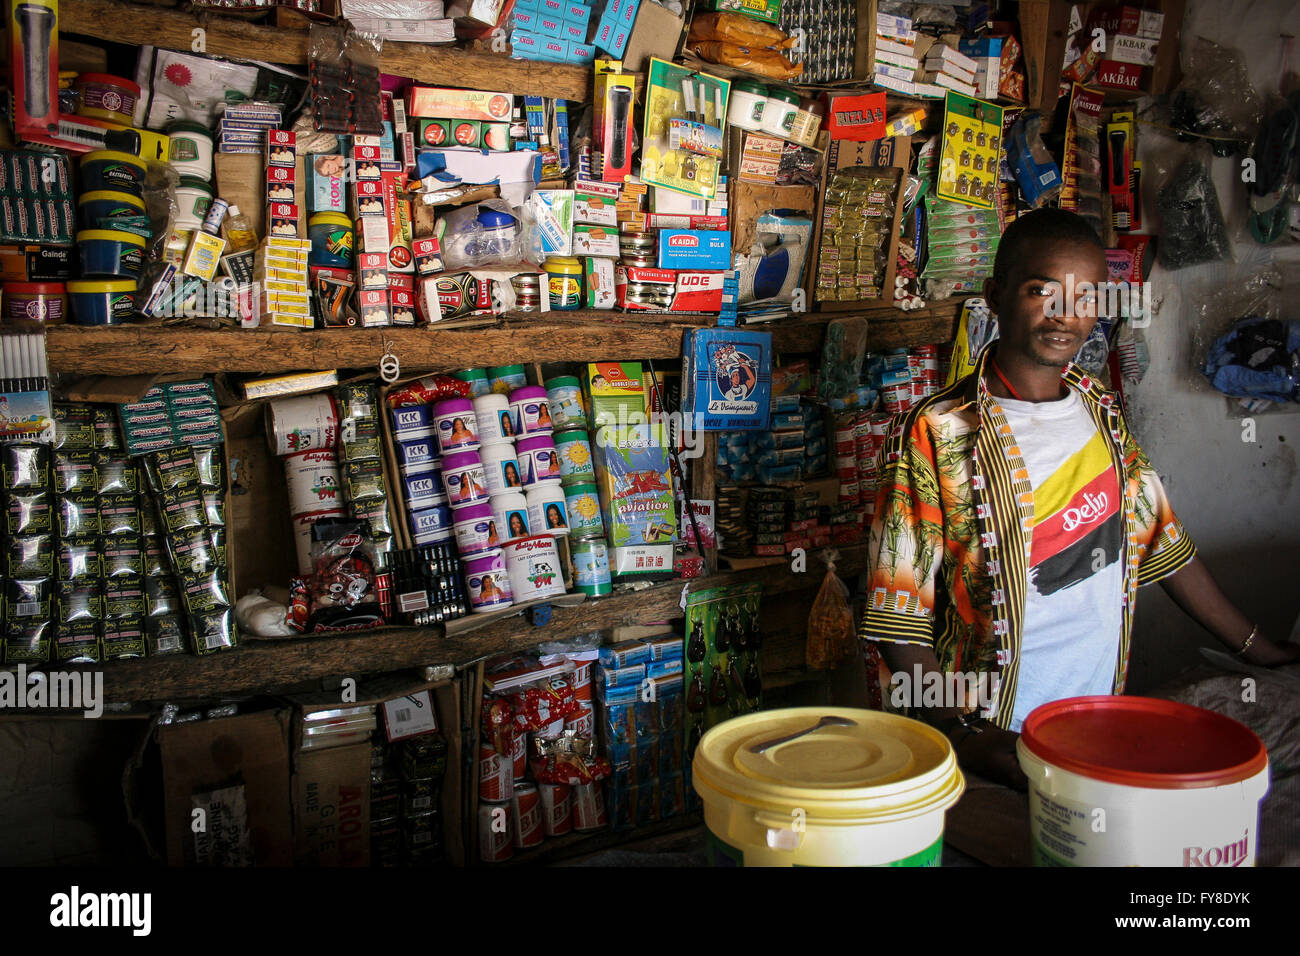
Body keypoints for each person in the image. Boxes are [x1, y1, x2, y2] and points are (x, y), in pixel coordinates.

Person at [858, 207, 1300, 791]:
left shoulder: (1101, 411)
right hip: (992, 734)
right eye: (1042, 291)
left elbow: (1161, 542)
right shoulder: (939, 429)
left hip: (1093, 722)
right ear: (997, 294)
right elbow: (898, 607)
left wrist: (1261, 650)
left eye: (1086, 296)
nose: (1065, 316)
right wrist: (963, 732)